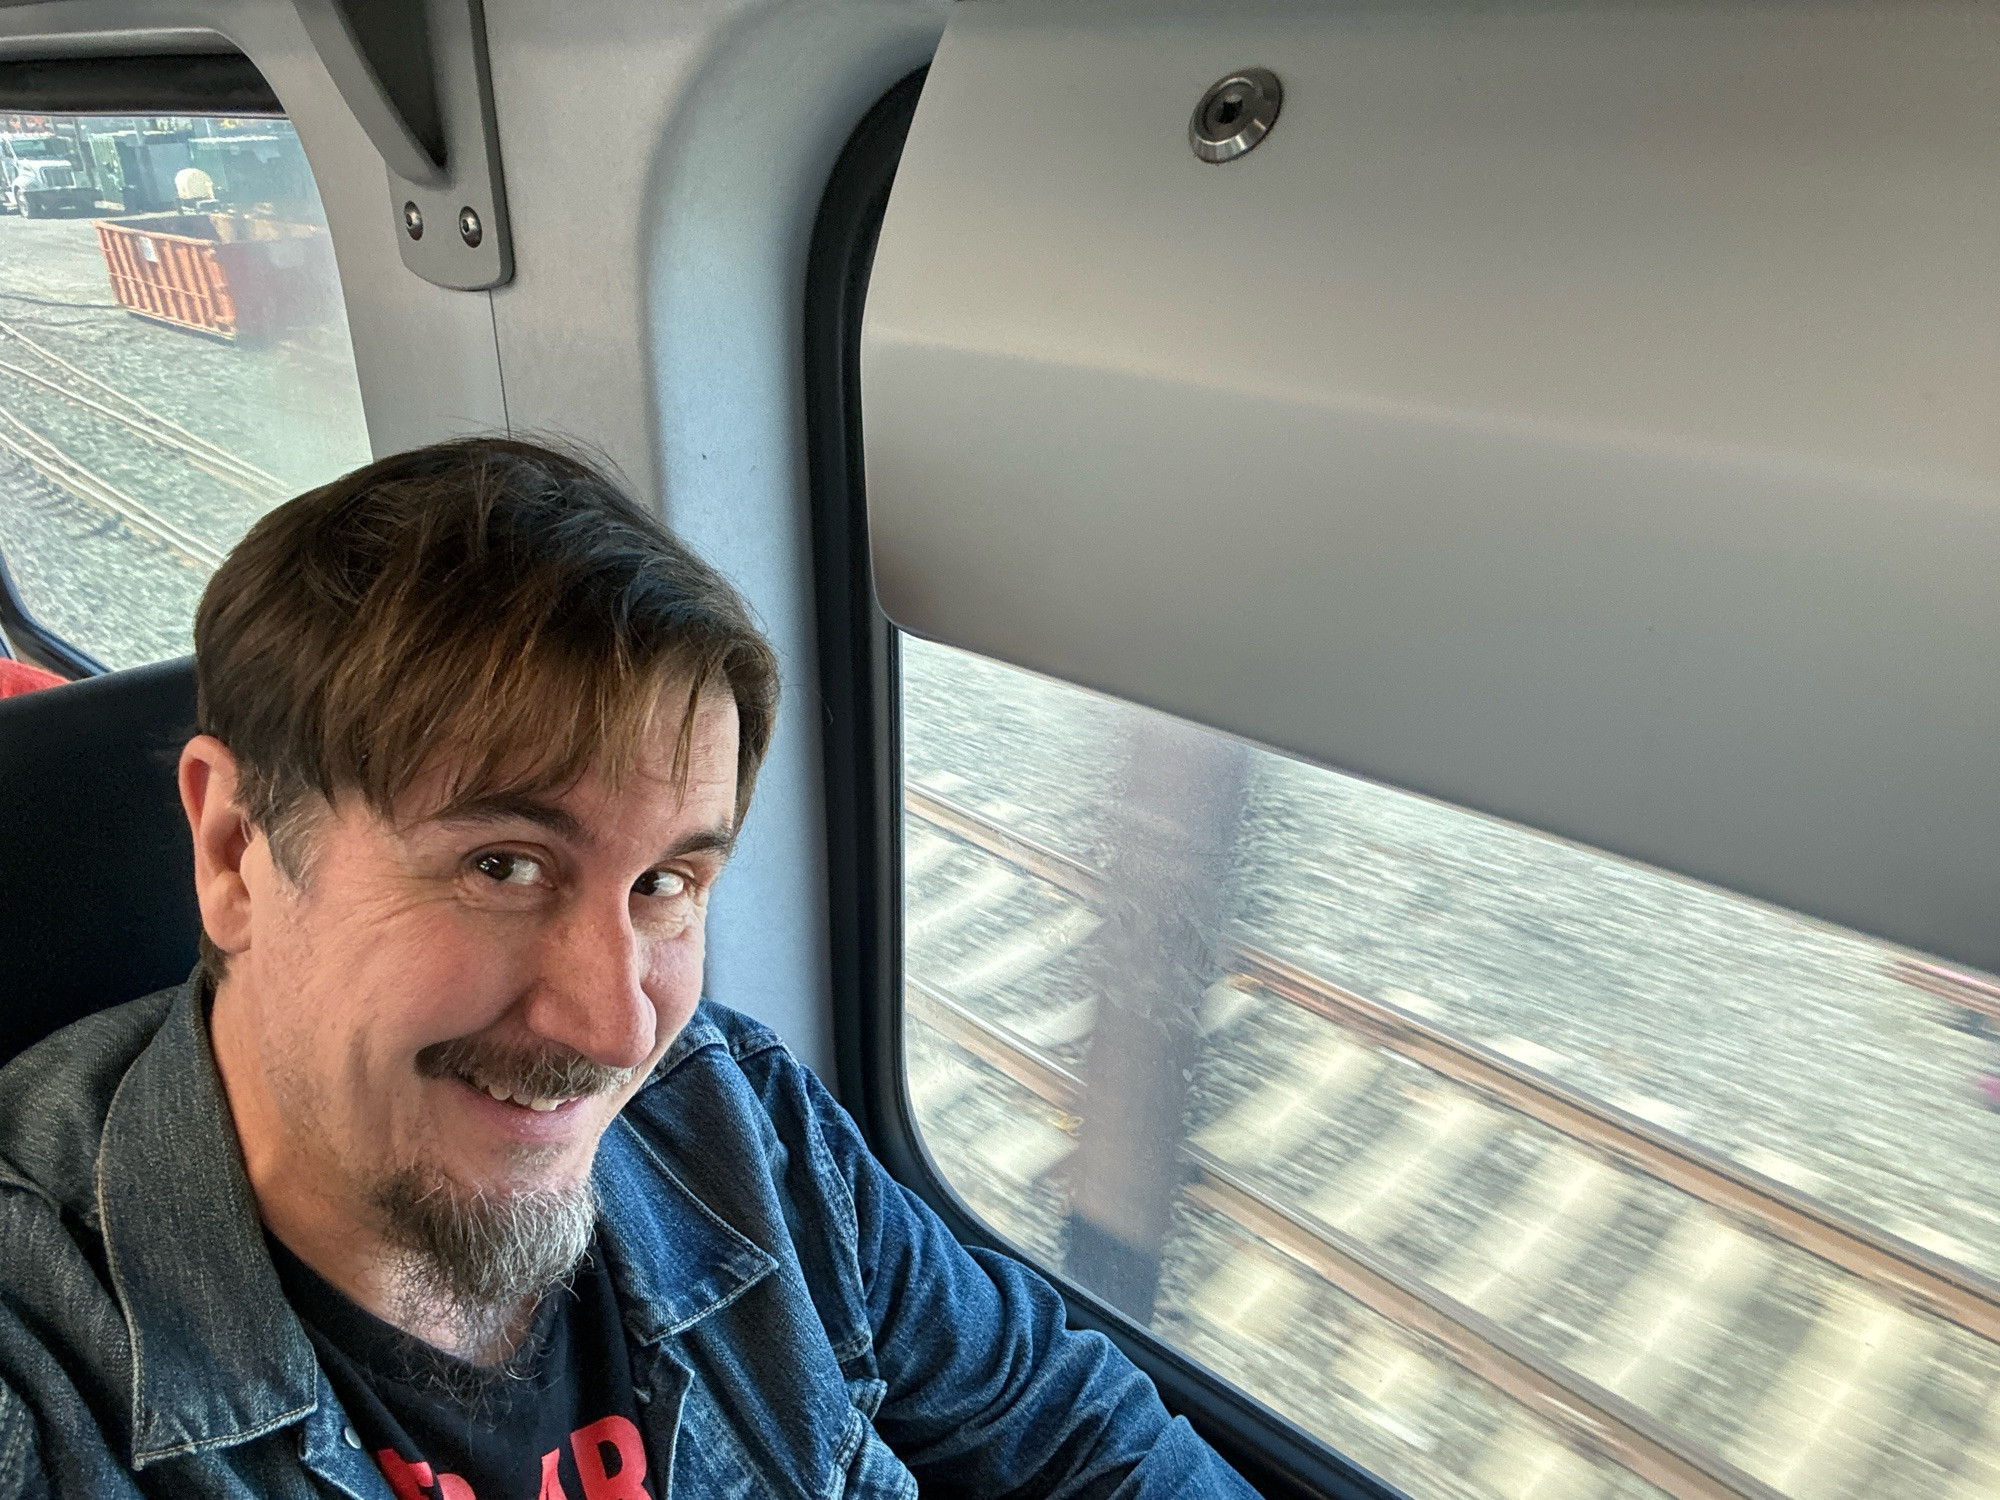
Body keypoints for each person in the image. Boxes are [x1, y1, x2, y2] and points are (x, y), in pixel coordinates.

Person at [0, 439, 1256, 1499]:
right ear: (235, 850)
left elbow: (1082, 1436)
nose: (614, 1030)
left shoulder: (730, 1124)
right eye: (503, 865)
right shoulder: (45, 1370)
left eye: (665, 883)